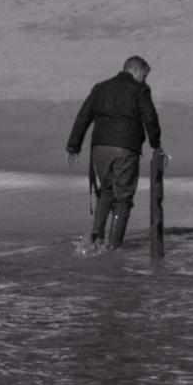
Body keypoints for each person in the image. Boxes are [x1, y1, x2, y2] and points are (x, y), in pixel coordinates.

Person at [65, 55, 162, 249]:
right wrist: (155, 143)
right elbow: (149, 117)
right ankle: (113, 246)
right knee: (123, 198)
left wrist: (73, 146)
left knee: (106, 191)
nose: (145, 79)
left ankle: (95, 238)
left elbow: (83, 117)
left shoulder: (100, 88)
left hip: (99, 148)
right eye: (145, 75)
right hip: (125, 148)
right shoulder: (140, 90)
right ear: (135, 70)